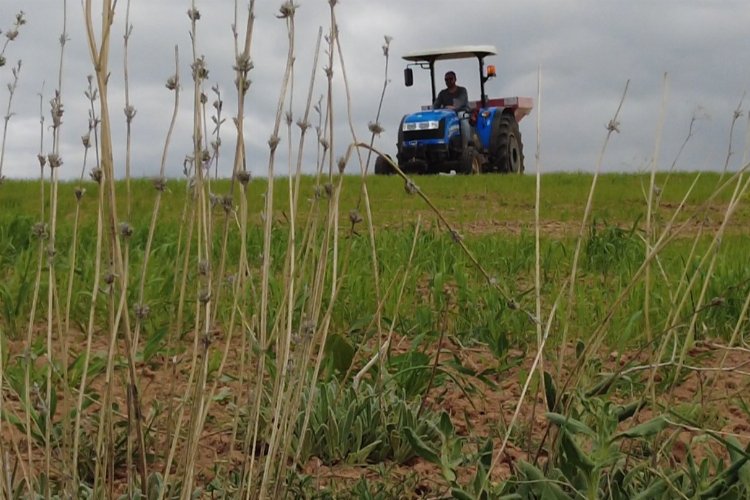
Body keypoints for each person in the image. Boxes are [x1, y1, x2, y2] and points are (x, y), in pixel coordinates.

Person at [433, 71, 471, 148]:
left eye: (450, 79)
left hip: (462, 112)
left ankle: (466, 146)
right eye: (446, 80)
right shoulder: (442, 93)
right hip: (448, 114)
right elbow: (435, 105)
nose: (448, 81)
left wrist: (453, 107)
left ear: (455, 79)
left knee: (463, 120)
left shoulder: (462, 90)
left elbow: (461, 102)